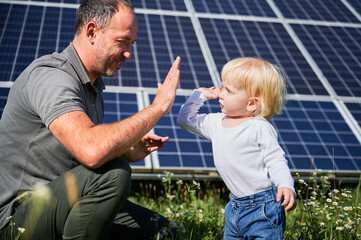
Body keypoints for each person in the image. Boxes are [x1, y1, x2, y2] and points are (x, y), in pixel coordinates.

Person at [0, 0, 180, 239]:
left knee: (163, 231)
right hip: (19, 217)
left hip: (65, 203)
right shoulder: (52, 77)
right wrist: (158, 107)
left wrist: (125, 150)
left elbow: (79, 150)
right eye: (122, 41)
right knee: (114, 174)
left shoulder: (92, 89)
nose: (129, 53)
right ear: (92, 32)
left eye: (132, 43)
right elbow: (91, 150)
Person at [177, 57, 297, 239]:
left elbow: (276, 159)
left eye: (229, 91)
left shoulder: (259, 127)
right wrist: (199, 96)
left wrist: (286, 184)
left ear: (252, 103)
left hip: (264, 207)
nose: (221, 93)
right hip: (234, 206)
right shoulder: (216, 122)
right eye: (222, 86)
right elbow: (185, 120)